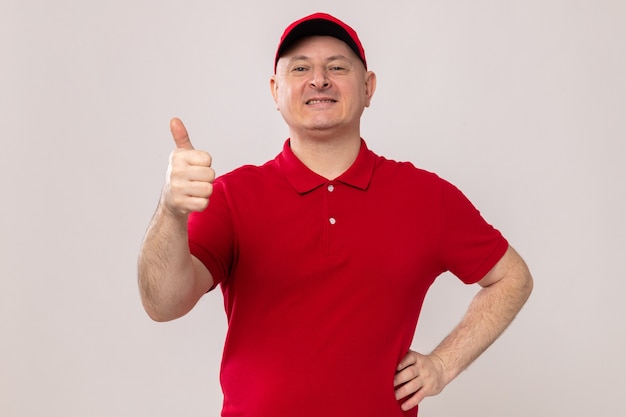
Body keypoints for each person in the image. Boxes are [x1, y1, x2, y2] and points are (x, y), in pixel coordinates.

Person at [138, 12, 533, 417]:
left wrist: (443, 364)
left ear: (368, 88)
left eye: (337, 67)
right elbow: (163, 304)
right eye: (301, 68)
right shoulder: (232, 197)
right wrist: (171, 210)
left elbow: (512, 277)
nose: (319, 79)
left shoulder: (425, 197)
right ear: (276, 91)